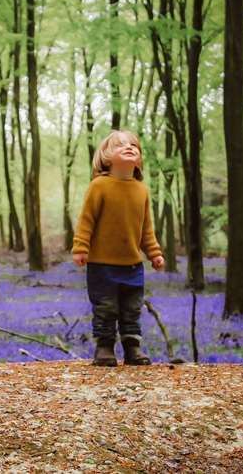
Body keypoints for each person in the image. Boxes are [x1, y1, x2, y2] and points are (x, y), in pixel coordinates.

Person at [72, 130, 164, 366]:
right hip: (102, 264)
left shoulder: (141, 190)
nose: (129, 147)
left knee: (132, 309)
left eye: (134, 144)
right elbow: (86, 220)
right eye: (120, 145)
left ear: (139, 158)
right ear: (106, 156)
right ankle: (104, 348)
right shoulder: (99, 186)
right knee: (105, 308)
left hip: (133, 265)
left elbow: (146, 229)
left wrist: (154, 253)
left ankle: (132, 348)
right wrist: (80, 248)